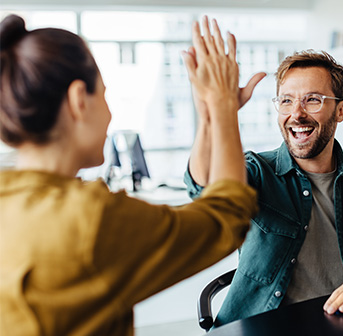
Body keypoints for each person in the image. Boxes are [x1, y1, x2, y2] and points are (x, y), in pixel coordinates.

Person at [0, 15, 258, 335]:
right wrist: (222, 105)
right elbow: (227, 217)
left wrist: (209, 116)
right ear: (79, 100)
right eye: (104, 95)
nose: (110, 114)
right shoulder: (89, 219)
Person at [184, 49, 343, 326]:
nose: (296, 114)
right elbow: (203, 186)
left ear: (341, 110)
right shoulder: (256, 172)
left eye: (312, 100)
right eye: (286, 101)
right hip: (263, 326)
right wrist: (211, 114)